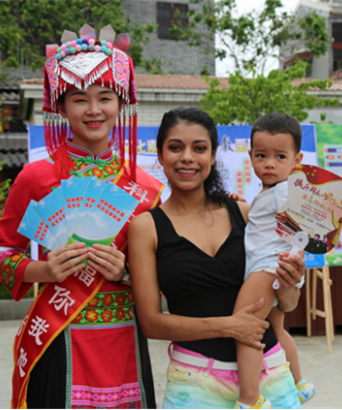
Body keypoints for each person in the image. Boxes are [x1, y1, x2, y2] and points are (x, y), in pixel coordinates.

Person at [0, 24, 163, 409]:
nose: (94, 110)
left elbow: (166, 267)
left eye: (105, 97)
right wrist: (45, 271)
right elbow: (0, 253)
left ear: (122, 104)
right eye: (80, 99)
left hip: (125, 335)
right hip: (60, 333)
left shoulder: (146, 188)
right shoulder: (36, 176)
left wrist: (128, 272)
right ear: (61, 107)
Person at [128, 107, 306, 409]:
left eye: (199, 148)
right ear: (160, 155)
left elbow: (286, 305)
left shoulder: (245, 212)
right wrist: (228, 325)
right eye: (175, 147)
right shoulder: (146, 227)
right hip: (196, 384)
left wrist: (291, 283)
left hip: (270, 378)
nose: (187, 157)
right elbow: (152, 323)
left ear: (213, 156)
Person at [235, 113, 316, 409]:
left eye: (280, 156)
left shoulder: (285, 191)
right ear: (251, 156)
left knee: (245, 328)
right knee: (277, 331)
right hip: (277, 267)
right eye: (261, 155)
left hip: (267, 268)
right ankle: (299, 383)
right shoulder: (269, 191)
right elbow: (258, 217)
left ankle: (249, 398)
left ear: (297, 160)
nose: (269, 163)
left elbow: (304, 219)